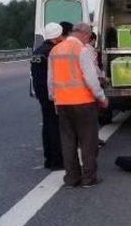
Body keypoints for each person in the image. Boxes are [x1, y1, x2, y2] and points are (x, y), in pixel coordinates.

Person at [48, 22, 109, 188]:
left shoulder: (55, 50)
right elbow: (91, 79)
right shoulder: (81, 50)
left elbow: (51, 81)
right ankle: (89, 178)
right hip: (83, 103)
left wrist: (55, 100)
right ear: (83, 33)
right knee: (88, 142)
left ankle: (71, 179)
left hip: (62, 104)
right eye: (89, 37)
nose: (88, 41)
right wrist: (101, 97)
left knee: (68, 143)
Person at [30, 22, 64, 170]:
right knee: (55, 127)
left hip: (41, 93)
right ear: (57, 36)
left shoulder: (38, 51)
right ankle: (57, 161)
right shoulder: (53, 51)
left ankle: (48, 159)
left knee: (47, 125)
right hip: (52, 94)